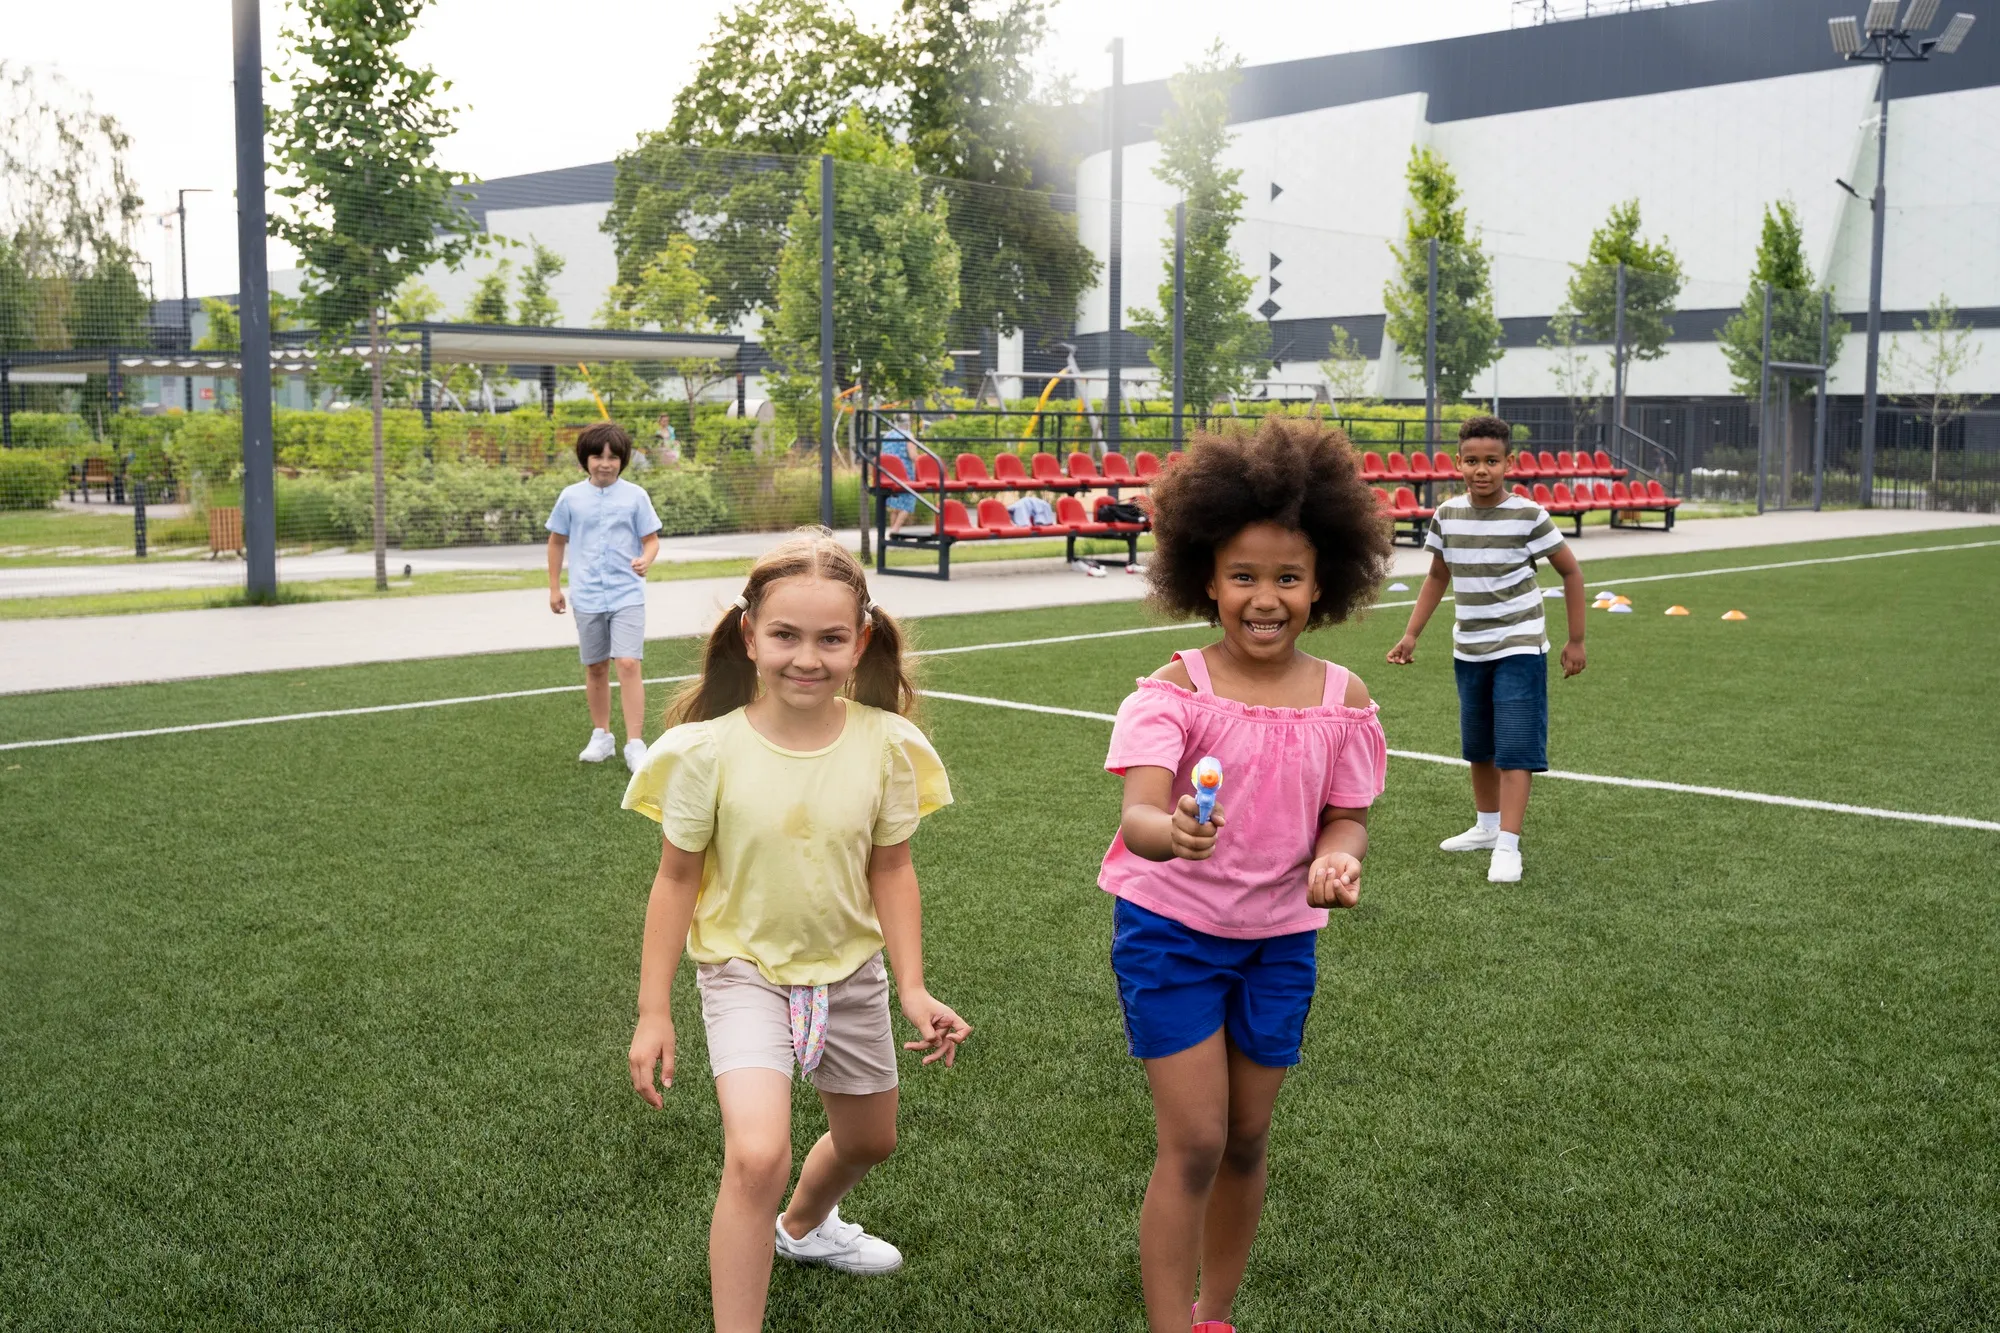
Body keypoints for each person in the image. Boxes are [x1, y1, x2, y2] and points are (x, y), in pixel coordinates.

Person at [623, 530, 971, 1333]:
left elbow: (893, 869)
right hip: (744, 971)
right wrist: (653, 1009)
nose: (805, 657)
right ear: (750, 637)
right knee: (755, 1155)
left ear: (861, 642)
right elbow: (676, 880)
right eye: (785, 634)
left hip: (851, 975)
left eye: (829, 638)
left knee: (871, 1140)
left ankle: (804, 1228)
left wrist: (913, 987)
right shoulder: (705, 753)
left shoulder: (888, 745)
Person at [1099, 416, 1391, 1333]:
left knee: (1247, 1139)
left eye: (1288, 578)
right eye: (1244, 576)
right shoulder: (1176, 689)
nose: (1266, 599)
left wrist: (1339, 857)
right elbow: (1138, 813)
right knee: (1194, 1141)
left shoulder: (1344, 699)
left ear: (1324, 583)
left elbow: (1347, 814)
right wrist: (1171, 827)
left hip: (1280, 943)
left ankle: (1213, 1314)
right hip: (1172, 935)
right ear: (1206, 578)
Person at [1386, 415, 1587, 883]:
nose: (1482, 470)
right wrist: (1412, 633)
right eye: (1472, 461)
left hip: (1519, 644)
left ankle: (1509, 847)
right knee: (1479, 745)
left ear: (1508, 463)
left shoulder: (1529, 516)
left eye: (1491, 461)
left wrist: (1576, 639)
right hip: (1468, 648)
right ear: (1458, 463)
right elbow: (1438, 576)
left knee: (1515, 745)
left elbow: (1570, 573)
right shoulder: (1447, 515)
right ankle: (1486, 826)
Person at [546, 421, 662, 773]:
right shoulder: (570, 497)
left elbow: (651, 539)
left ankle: (635, 743)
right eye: (597, 456)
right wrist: (554, 587)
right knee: (596, 666)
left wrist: (647, 559)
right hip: (586, 595)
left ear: (623, 460)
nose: (605, 463)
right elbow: (556, 542)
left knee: (628, 663)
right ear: (585, 459)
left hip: (627, 593)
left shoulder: (636, 496)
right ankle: (602, 736)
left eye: (613, 457)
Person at [878, 419, 917, 534]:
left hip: (889, 473)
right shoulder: (908, 435)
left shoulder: (887, 435)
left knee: (895, 504)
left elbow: (882, 454)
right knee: (908, 502)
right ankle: (896, 529)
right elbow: (913, 455)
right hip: (905, 472)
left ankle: (892, 531)